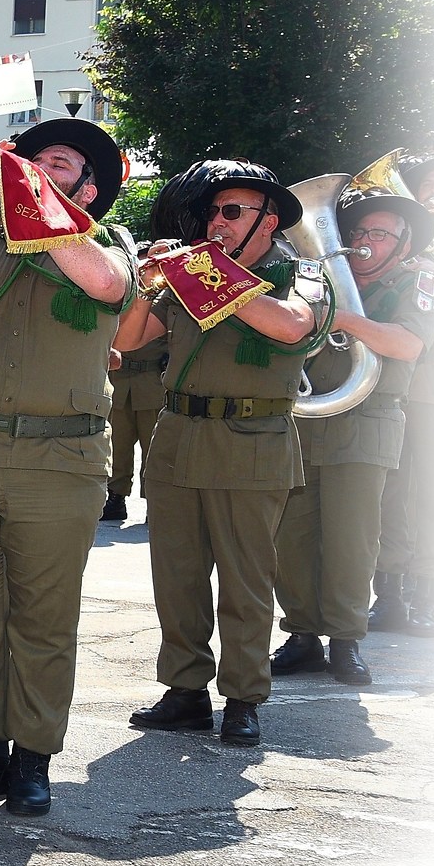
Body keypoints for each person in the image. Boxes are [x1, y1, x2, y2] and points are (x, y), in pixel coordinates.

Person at [0, 119, 133, 817]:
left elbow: (103, 283)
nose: (39, 167)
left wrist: (39, 201)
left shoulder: (108, 245)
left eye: (59, 163)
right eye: (33, 159)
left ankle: (33, 756)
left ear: (88, 188)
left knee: (43, 618)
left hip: (59, 462)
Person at [115, 159, 321, 748]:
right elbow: (127, 341)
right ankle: (185, 690)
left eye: (231, 211)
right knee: (176, 575)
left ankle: (243, 697)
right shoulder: (191, 271)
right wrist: (147, 282)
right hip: (180, 435)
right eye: (212, 213)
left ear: (268, 220)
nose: (217, 222)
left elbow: (291, 325)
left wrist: (208, 272)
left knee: (245, 579)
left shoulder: (300, 274)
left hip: (252, 441)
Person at [272, 191, 434, 685]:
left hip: (368, 421)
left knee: (352, 538)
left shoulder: (415, 283)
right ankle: (302, 635)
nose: (365, 241)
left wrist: (343, 319)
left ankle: (345, 639)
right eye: (359, 232)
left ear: (404, 245)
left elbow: (407, 344)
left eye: (379, 234)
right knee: (293, 534)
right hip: (308, 420)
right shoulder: (317, 279)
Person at [376, 153, 434, 636]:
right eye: (428, 182)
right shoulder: (402, 237)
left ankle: (429, 594)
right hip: (396, 377)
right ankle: (389, 593)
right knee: (390, 492)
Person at [106, 340, 169, 521]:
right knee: (118, 445)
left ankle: (154, 503)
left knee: (154, 450)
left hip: (152, 381)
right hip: (119, 381)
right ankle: (116, 497)